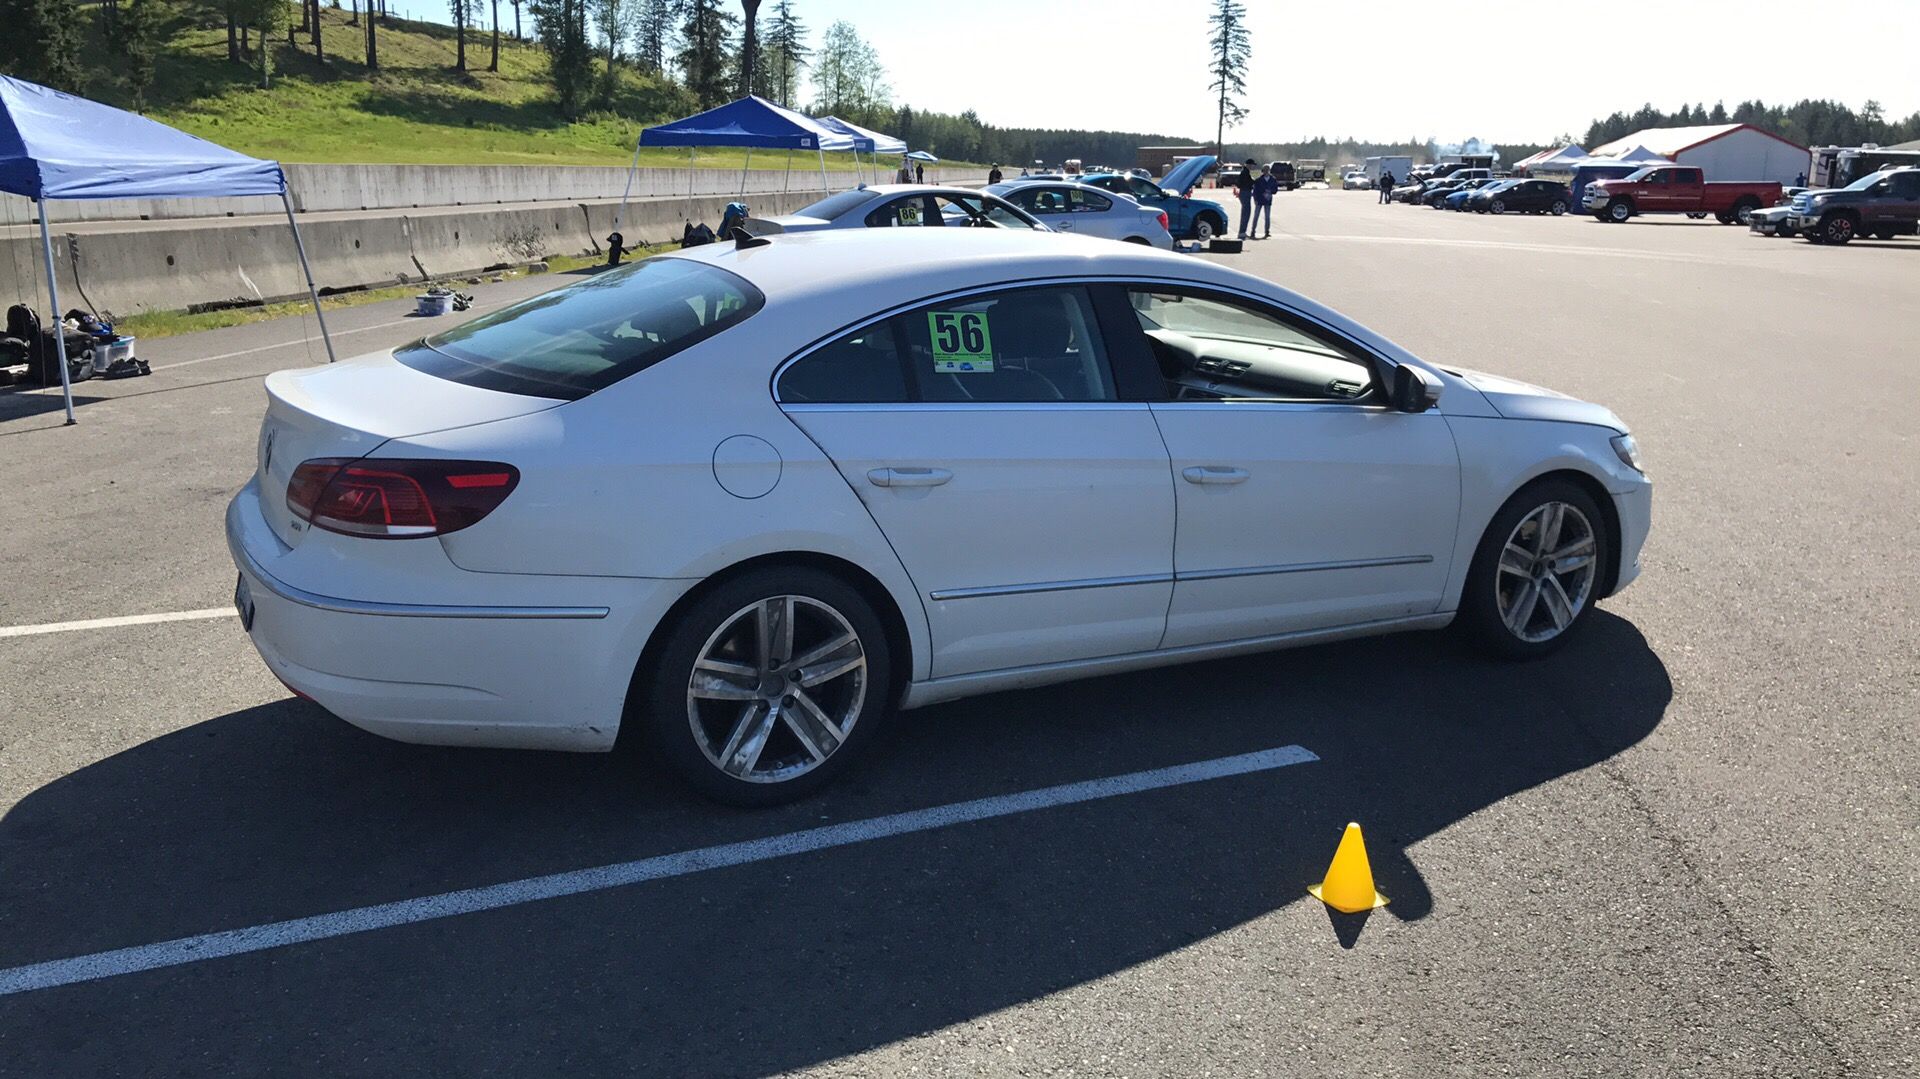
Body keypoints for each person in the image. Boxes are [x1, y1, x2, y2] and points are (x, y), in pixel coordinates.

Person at [1251, 167, 1279, 239]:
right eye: (1264, 170)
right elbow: (1255, 191)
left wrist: (1270, 191)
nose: (1266, 172)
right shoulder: (1258, 180)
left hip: (1268, 199)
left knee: (1267, 217)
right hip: (1259, 199)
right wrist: (1255, 199)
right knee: (1256, 216)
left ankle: (1267, 231)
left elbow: (1275, 190)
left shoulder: (1273, 179)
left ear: (1269, 171)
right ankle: (1253, 231)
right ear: (1262, 171)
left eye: (1267, 170)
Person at [1233, 157, 1257, 239]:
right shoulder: (1245, 173)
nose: (1253, 166)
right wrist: (1254, 181)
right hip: (1245, 192)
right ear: (1249, 165)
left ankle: (1243, 231)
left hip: (1244, 192)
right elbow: (1246, 183)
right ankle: (1242, 232)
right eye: (1252, 165)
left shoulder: (1245, 172)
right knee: (1246, 213)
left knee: (1246, 212)